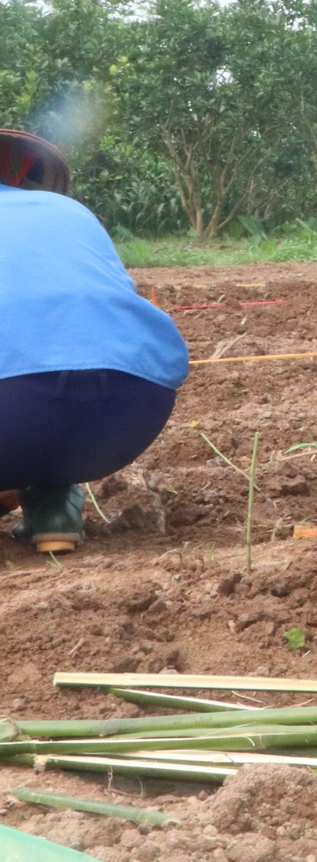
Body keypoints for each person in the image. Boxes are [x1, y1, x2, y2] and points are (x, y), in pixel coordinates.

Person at [0, 130, 188, 553]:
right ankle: (52, 503)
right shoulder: (68, 211)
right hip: (128, 413)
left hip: (10, 413)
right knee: (45, 400)